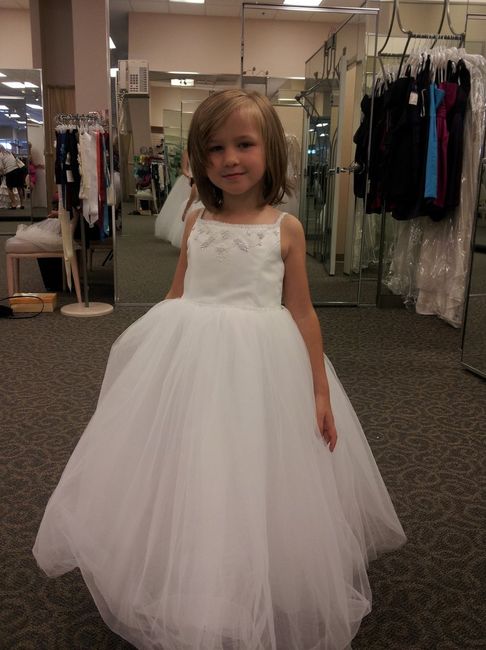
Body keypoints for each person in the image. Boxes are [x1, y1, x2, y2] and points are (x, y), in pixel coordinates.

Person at [33, 89, 406, 650]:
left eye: (244, 144)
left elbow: (302, 313)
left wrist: (319, 391)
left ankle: (258, 574)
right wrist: (150, 361)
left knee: (254, 467)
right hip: (193, 360)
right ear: (201, 159)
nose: (230, 159)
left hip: (263, 370)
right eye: (214, 148)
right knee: (197, 464)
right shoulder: (197, 221)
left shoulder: (285, 228)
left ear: (269, 151)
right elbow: (177, 293)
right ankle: (193, 572)